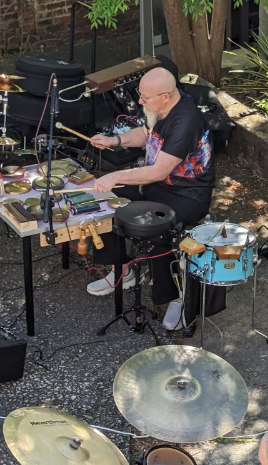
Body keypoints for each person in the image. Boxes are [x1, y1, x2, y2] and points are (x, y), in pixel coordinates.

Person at [87, 66, 215, 331]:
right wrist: (115, 140)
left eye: (145, 98)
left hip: (187, 195)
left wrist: (116, 175)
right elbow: (146, 135)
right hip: (157, 188)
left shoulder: (186, 120)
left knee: (156, 231)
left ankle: (175, 299)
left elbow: (159, 171)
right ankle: (122, 272)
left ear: (165, 96)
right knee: (109, 203)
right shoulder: (159, 109)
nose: (140, 102)